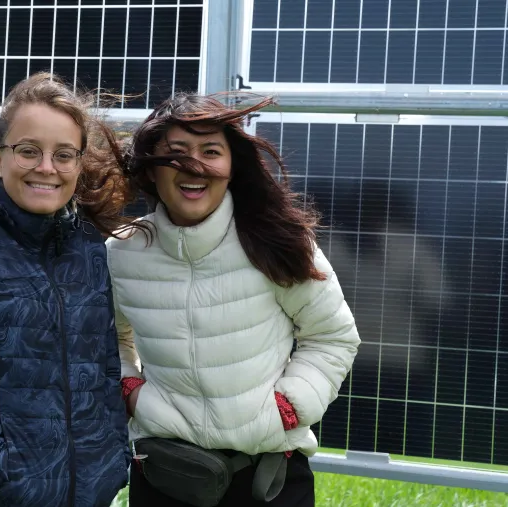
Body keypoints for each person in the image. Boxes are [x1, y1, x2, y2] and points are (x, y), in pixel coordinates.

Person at [105, 93, 361, 507]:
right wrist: (131, 390)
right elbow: (108, 338)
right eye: (176, 153)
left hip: (269, 477)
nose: (195, 166)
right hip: (164, 475)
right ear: (151, 170)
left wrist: (289, 407)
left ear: (231, 166)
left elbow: (332, 336)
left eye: (211, 151)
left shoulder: (276, 240)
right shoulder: (122, 252)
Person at [0, 72, 132, 507]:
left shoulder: (87, 244)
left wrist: (111, 459)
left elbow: (105, 360)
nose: (47, 167)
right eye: (28, 151)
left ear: (79, 162)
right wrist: (5, 474)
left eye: (63, 154)